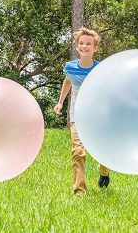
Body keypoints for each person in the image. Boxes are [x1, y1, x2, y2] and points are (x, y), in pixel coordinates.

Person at [53, 27, 110, 195]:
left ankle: (104, 171)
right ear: (77, 46)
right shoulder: (70, 67)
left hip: (97, 116)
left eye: (88, 44)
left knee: (102, 152)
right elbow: (67, 81)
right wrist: (60, 102)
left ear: (95, 48)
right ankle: (80, 192)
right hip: (77, 115)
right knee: (78, 152)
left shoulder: (101, 69)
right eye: (81, 43)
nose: (84, 46)